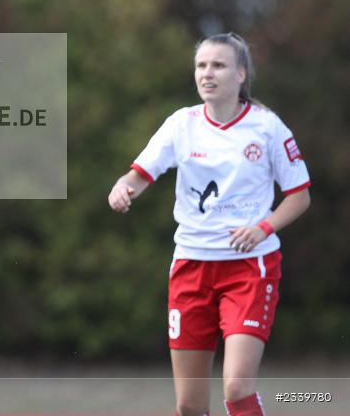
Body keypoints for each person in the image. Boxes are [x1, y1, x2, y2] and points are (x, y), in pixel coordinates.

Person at [107, 33, 311, 416]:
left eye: (218, 65)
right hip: (190, 266)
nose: (207, 73)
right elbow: (138, 175)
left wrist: (262, 228)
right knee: (188, 405)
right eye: (201, 65)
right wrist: (123, 188)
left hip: (250, 268)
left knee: (236, 388)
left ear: (241, 74)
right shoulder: (181, 124)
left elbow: (300, 195)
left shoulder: (267, 127)